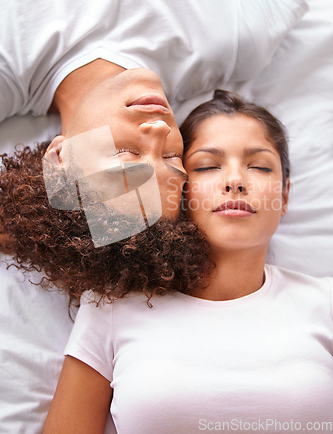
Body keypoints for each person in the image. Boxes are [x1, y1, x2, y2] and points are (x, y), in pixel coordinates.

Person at [43, 91, 333, 433]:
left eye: (259, 165)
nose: (235, 181)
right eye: (207, 166)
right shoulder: (111, 306)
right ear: (178, 190)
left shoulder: (324, 302)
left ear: (283, 196)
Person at [0, 0, 312, 224]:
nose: (160, 131)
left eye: (126, 155)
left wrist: (44, 224)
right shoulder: (236, 45)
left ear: (60, 159)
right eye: (172, 159)